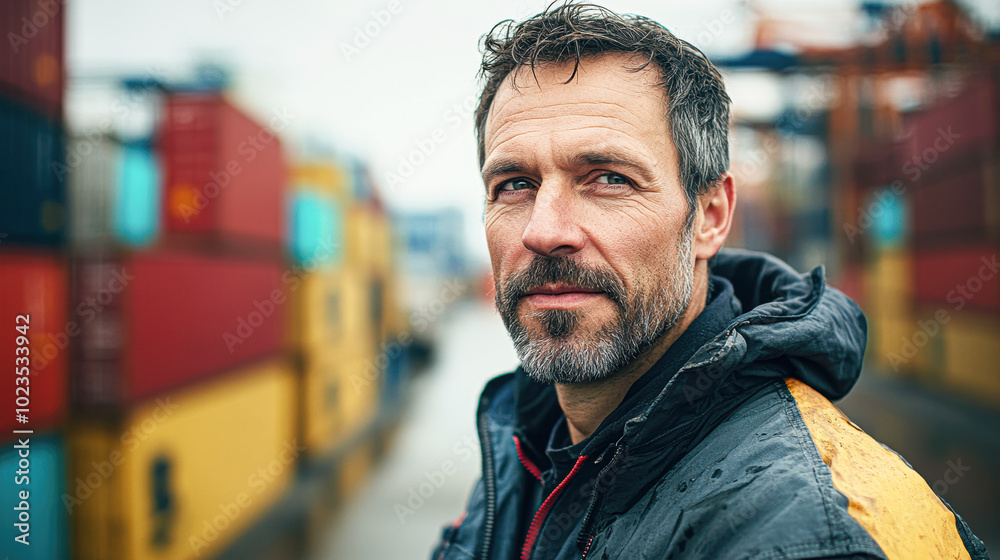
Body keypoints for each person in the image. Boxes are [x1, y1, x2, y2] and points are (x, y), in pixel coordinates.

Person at [431, 4, 989, 560]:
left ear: (711, 216)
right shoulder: (519, 446)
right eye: (514, 184)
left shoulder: (810, 533)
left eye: (607, 178)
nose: (543, 231)